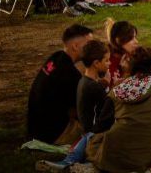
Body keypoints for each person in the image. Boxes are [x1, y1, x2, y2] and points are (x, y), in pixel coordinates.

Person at [84, 47, 151, 173]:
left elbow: (100, 127)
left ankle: (70, 160)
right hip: (145, 157)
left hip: (112, 158)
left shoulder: (117, 90)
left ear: (130, 66)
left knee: (89, 138)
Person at [36, 40, 116, 171]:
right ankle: (75, 165)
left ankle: (65, 163)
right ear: (96, 63)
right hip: (94, 132)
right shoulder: (94, 87)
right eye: (107, 60)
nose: (110, 63)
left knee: (85, 139)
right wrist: (110, 87)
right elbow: (109, 107)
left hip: (86, 130)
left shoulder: (84, 81)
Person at [26, 24, 94, 144]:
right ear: (75, 46)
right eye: (89, 45)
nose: (92, 49)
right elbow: (84, 110)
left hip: (35, 129)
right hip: (52, 135)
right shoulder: (69, 73)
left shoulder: (56, 57)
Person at [105, 19, 139, 86]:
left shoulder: (131, 57)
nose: (136, 42)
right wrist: (126, 73)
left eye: (135, 37)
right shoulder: (107, 63)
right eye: (131, 38)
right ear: (118, 40)